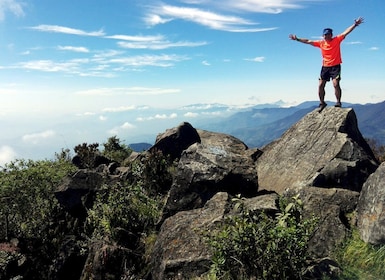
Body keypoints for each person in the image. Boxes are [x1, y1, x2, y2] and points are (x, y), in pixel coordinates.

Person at [289, 17, 364, 109]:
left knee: (336, 84)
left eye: (328, 34)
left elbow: (346, 32)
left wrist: (355, 25)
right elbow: (308, 41)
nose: (326, 36)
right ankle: (322, 103)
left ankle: (338, 102)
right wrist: (297, 39)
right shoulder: (321, 43)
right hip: (325, 67)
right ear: (323, 36)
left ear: (331, 35)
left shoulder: (337, 40)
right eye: (324, 35)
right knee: (321, 85)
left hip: (335, 66)